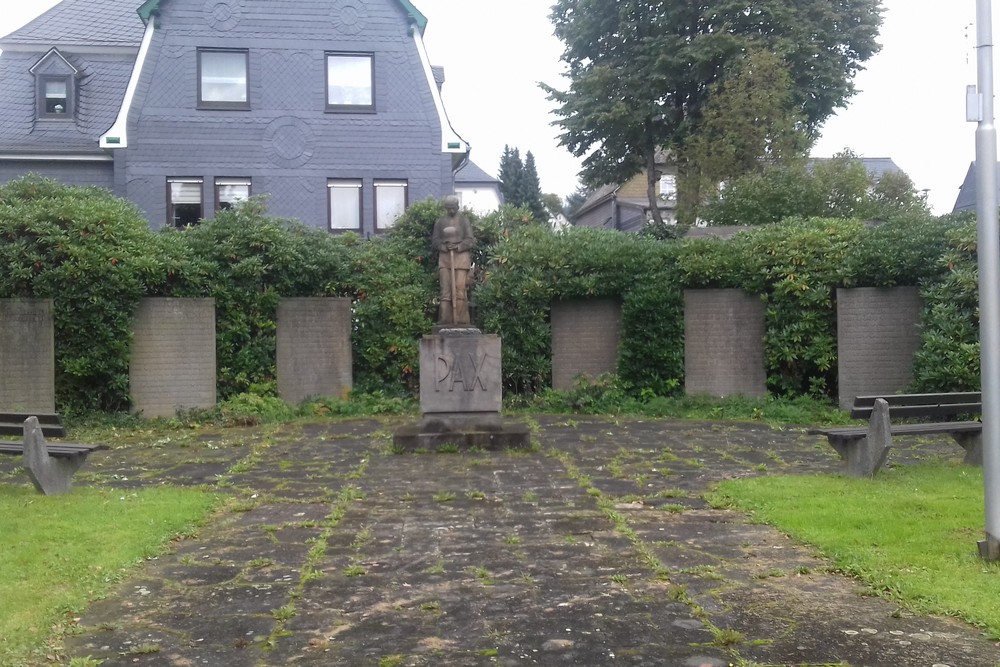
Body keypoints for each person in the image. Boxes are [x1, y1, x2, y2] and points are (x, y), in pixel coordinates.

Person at [431, 195, 475, 326]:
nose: (451, 211)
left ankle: (461, 319)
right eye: (448, 208)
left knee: (460, 289)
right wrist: (443, 246)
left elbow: (470, 240)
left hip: (461, 258)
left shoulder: (464, 221)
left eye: (453, 208)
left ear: (458, 207)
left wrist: (458, 246)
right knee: (445, 289)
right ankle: (445, 319)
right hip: (445, 258)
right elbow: (435, 241)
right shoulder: (440, 222)